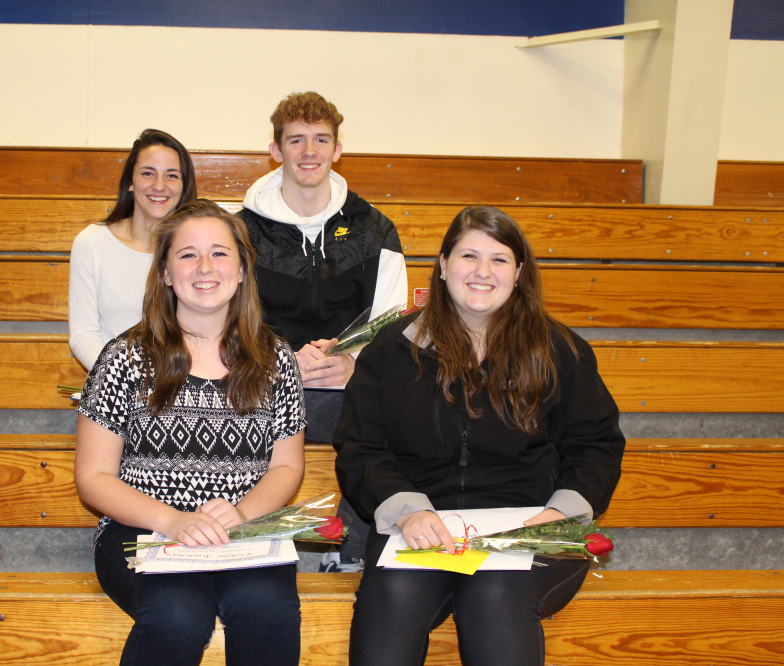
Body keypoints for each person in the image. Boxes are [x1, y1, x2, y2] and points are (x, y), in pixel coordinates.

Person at [334, 206, 625, 666]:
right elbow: (360, 445)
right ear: (443, 265)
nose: (483, 272)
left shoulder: (559, 350)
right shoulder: (392, 348)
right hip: (421, 530)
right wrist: (407, 511)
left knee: (493, 594)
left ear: (519, 273)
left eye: (499, 259)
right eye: (469, 256)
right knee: (392, 598)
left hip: (530, 533)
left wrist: (560, 514)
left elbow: (596, 444)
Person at [75, 199, 307, 666]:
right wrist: (173, 521)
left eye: (219, 253)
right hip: (143, 531)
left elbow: (286, 465)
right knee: (178, 615)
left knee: (268, 611)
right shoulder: (123, 357)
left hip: (242, 531)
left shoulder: (276, 359)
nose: (205, 267)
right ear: (165, 272)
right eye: (187, 255)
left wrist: (242, 513)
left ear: (241, 270)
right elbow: (93, 478)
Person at [237, 91, 408, 571]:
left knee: (400, 415)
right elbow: (222, 320)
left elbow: (393, 323)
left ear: (338, 149)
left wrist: (354, 365)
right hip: (263, 389)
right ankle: (248, 545)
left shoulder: (375, 229)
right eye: (296, 140)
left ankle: (352, 553)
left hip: (346, 392)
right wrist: (279, 363)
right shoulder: (241, 231)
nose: (309, 151)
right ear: (276, 150)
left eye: (321, 139)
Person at [69, 129, 198, 370]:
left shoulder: (197, 251)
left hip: (181, 381)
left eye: (171, 176)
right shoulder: (92, 242)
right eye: (148, 173)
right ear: (130, 181)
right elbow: (83, 334)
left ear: (184, 186)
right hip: (114, 381)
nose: (159, 186)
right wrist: (121, 379)